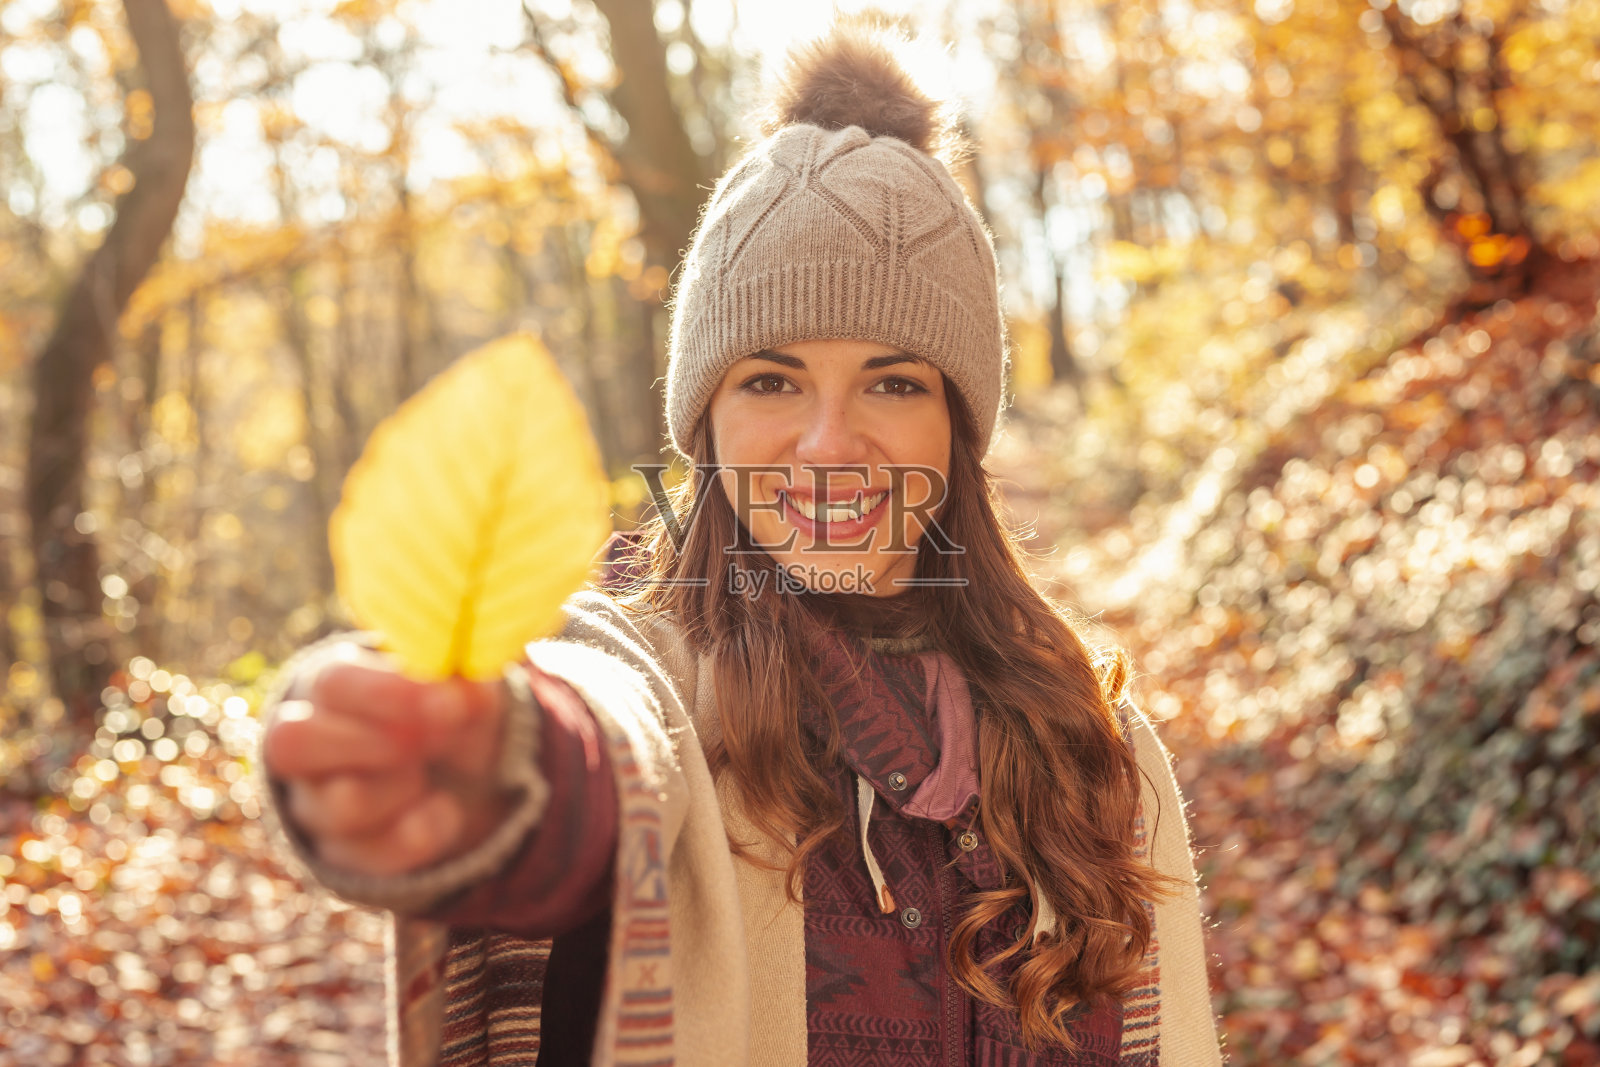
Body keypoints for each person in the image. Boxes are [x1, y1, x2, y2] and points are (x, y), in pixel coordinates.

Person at [258, 27, 1225, 1067]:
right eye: (771, 380)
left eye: (893, 382)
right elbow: (599, 734)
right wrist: (492, 756)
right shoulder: (654, 674)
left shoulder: (1095, 739)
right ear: (705, 419)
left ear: (957, 424)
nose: (826, 442)